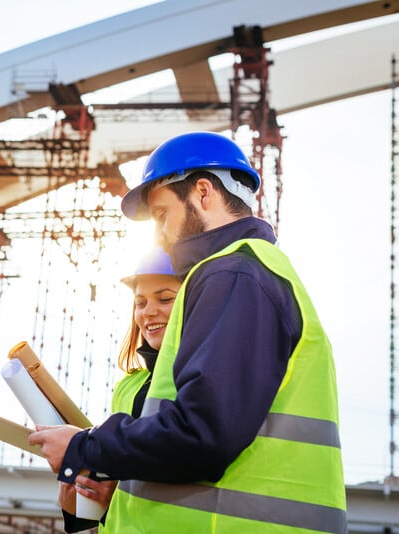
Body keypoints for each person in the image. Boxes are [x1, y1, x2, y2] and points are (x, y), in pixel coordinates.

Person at [29, 131, 346, 533]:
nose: (159, 235)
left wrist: (83, 447)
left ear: (202, 192)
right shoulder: (243, 272)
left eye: (162, 215)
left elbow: (203, 434)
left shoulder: (235, 273)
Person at [59, 247, 181, 533]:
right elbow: (121, 491)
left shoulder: (203, 380)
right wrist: (81, 501)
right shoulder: (128, 386)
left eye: (164, 299)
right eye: (140, 303)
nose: (148, 311)